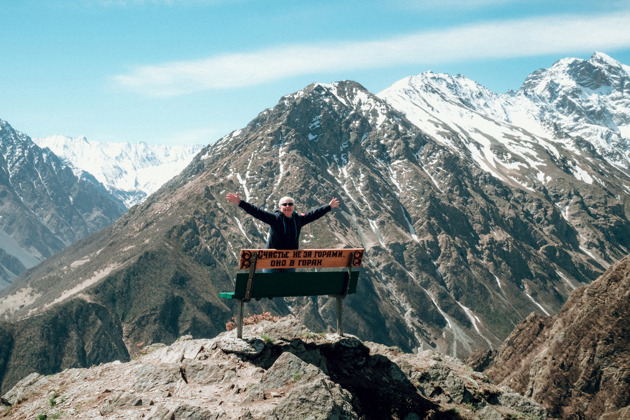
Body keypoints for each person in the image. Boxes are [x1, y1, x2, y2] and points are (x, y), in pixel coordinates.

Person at [226, 192, 340, 252]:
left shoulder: (298, 219)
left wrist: (328, 206)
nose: (287, 206)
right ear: (280, 208)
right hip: (272, 258)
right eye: (284, 204)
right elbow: (257, 212)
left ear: (294, 207)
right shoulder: (275, 219)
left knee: (284, 283)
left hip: (290, 258)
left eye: (290, 204)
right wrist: (240, 202)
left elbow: (314, 214)